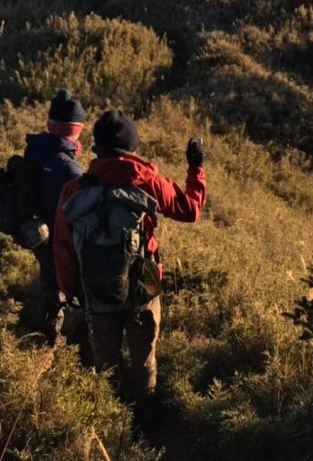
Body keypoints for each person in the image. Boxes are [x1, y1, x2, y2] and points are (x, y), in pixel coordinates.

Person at [53, 109, 206, 415]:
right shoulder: (149, 182)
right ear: (132, 147)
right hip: (145, 287)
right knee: (143, 359)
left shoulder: (75, 191)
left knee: (105, 364)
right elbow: (191, 210)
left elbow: (63, 247)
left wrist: (72, 291)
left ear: (98, 147)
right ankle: (145, 415)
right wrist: (196, 168)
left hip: (95, 291)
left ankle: (110, 417)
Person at [24, 88, 86, 330]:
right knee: (75, 286)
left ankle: (47, 330)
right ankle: (68, 335)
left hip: (40, 234)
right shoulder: (69, 169)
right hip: (63, 242)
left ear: (50, 124)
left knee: (49, 283)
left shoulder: (36, 151)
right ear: (77, 128)